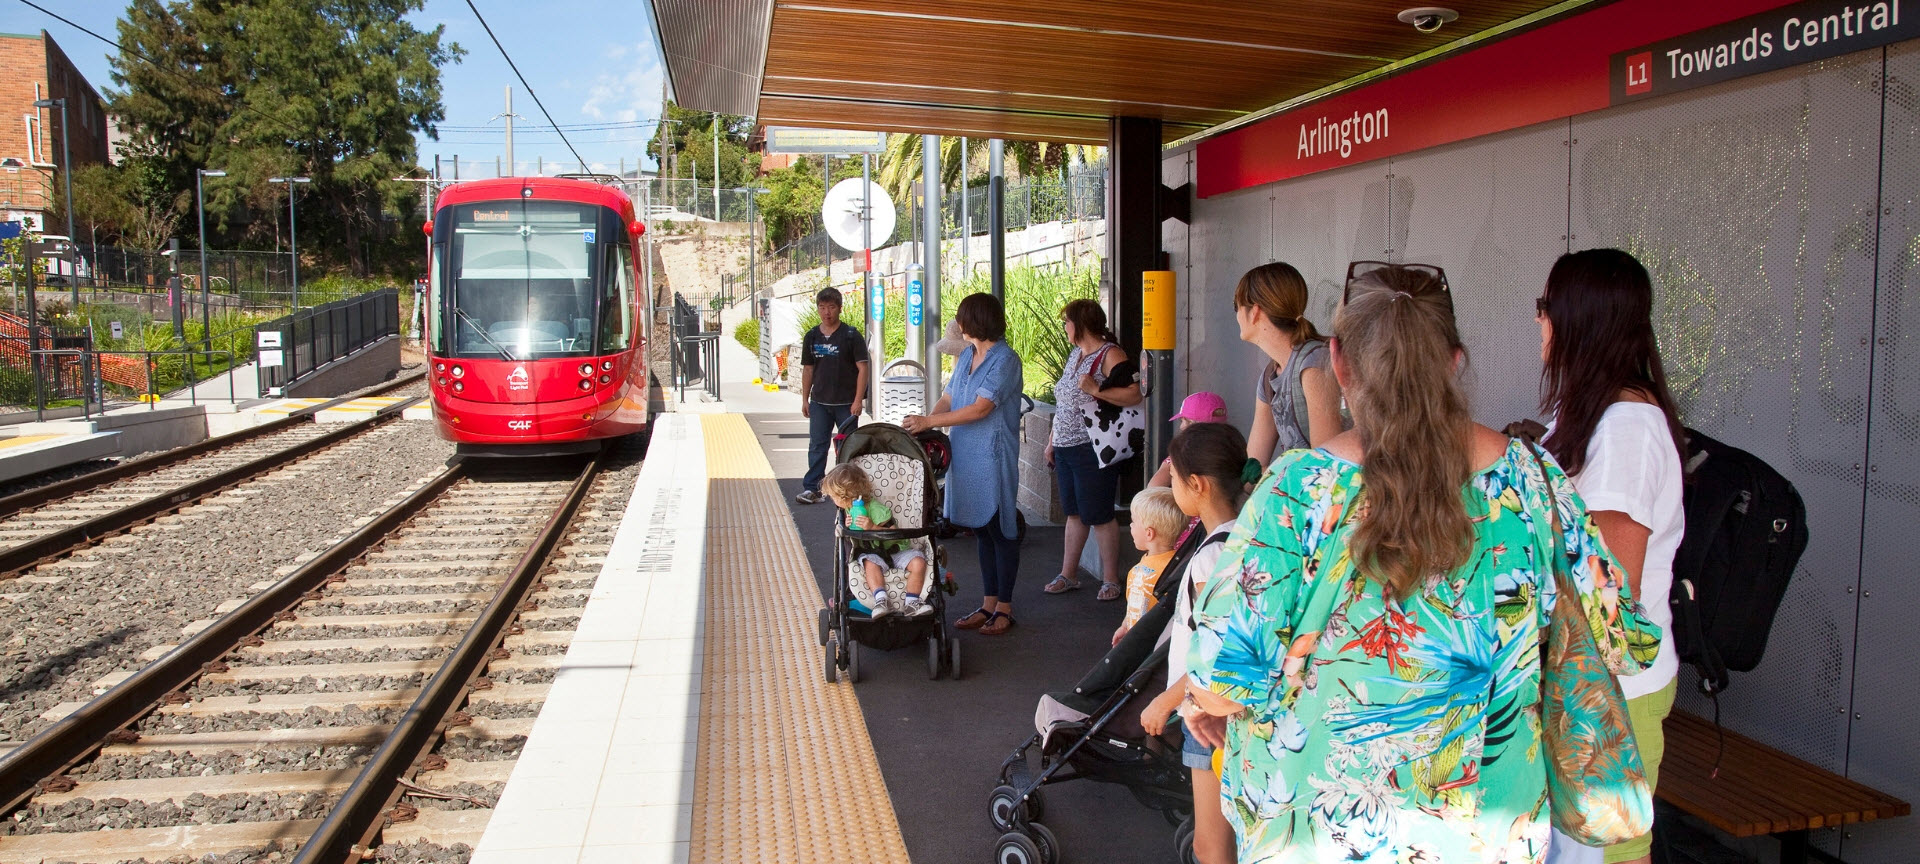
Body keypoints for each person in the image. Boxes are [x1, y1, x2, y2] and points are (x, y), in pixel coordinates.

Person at [1181, 261, 1660, 864]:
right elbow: (1623, 641)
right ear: (1454, 360)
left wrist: (1206, 703)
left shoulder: (1298, 492)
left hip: (1321, 838)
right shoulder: (1534, 481)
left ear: (1340, 361)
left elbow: (1222, 680)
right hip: (1488, 835)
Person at [1537, 249, 1686, 864]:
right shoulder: (1589, 411)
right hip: (1578, 681)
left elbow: (1608, 594)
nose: (1539, 323)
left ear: (1577, 319)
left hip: (1609, 689)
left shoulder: (1627, 427)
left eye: (1545, 309)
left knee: (1613, 851)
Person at [1139, 421, 1255, 864]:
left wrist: (1165, 701)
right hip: (1227, 709)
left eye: (1173, 479)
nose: (1170, 487)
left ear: (1197, 484)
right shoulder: (1244, 537)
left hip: (1207, 713)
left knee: (1212, 846)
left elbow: (1217, 650)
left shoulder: (1212, 555)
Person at [903, 294, 1024, 636]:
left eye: (961, 318)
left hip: (993, 454)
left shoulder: (1006, 360)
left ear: (975, 321)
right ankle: (988, 604)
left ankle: (1005, 608)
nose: (958, 324)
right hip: (966, 453)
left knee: (1001, 530)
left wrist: (929, 423)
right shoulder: (967, 354)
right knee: (981, 530)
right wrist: (923, 421)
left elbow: (981, 408)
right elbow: (951, 398)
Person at [1043, 298, 1141, 602]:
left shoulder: (1111, 354)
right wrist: (1051, 440)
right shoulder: (1075, 354)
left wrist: (1097, 390)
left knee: (1099, 513)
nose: (1065, 327)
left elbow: (1135, 393)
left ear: (1080, 324)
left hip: (1093, 446)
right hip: (1065, 445)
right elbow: (1063, 404)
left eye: (1067, 322)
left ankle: (1111, 579)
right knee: (1074, 512)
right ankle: (1068, 573)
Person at [1234, 262, 1344, 467]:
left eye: (1236, 306)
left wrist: (1268, 475)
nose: (1237, 315)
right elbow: (1253, 466)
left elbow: (1326, 465)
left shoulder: (1314, 363)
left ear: (1255, 312)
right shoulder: (1269, 376)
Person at [821, 463, 933, 619]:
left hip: (896, 550)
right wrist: (847, 526)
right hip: (873, 554)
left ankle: (912, 602)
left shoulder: (875, 509)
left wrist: (872, 527)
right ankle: (881, 600)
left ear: (845, 496)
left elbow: (893, 533)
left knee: (919, 562)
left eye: (834, 497)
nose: (833, 501)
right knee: (869, 562)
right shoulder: (848, 510)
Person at [795, 287, 870, 505]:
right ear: (818, 309)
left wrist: (858, 400)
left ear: (839, 308)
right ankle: (813, 489)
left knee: (848, 445)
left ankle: (849, 489)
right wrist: (804, 399)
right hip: (819, 402)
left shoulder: (850, 335)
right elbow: (808, 369)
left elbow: (862, 368)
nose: (827, 312)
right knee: (817, 445)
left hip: (846, 403)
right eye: (822, 307)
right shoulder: (812, 336)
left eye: (831, 307)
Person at [1112, 487, 1186, 647]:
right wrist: (1125, 626)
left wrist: (1128, 631)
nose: (1130, 526)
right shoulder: (1179, 565)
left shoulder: (1142, 573)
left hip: (1143, 649)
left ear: (1149, 533)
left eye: (1133, 521)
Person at [1149, 390, 1229, 488]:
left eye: (1186, 421)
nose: (1181, 427)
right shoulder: (1233, 449)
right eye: (1181, 421)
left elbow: (1153, 489)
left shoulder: (1182, 453)